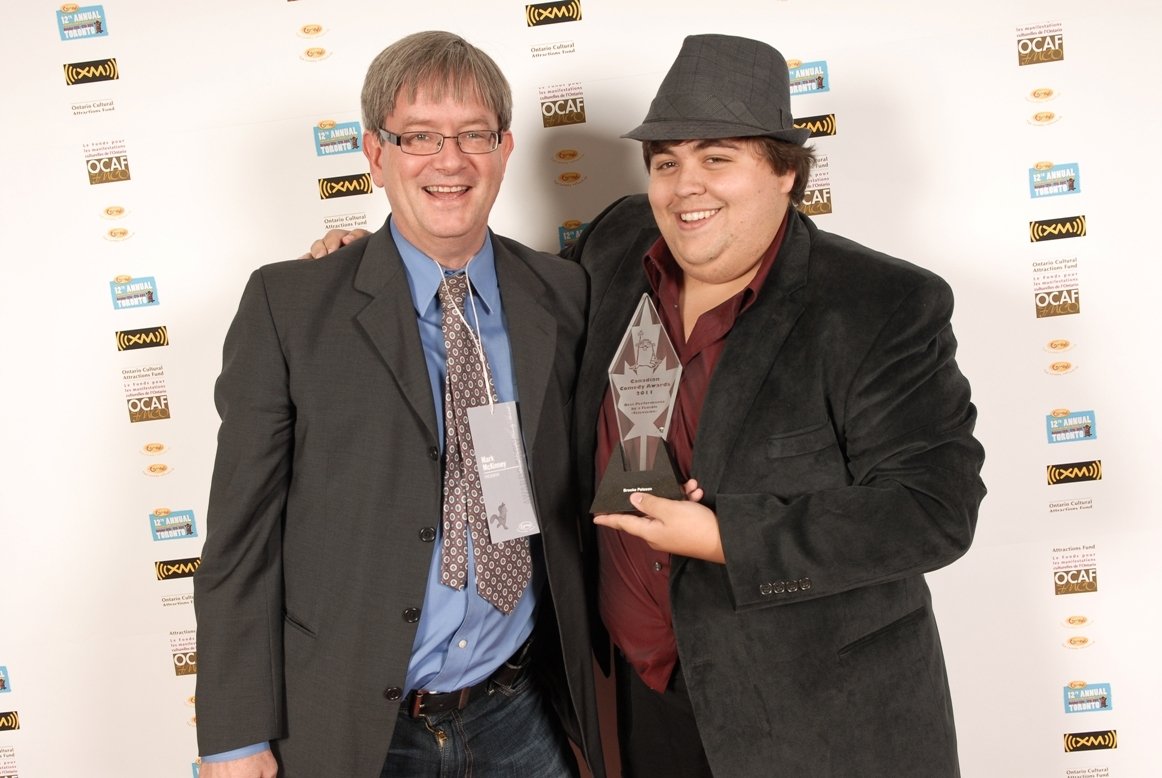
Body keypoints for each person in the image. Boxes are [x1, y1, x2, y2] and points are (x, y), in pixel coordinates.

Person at [308, 33, 986, 778]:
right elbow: (500, 311)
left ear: (785, 172)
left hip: (814, 716)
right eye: (667, 162)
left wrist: (728, 535)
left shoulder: (879, 305)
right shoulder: (617, 245)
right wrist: (371, 260)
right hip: (638, 702)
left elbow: (933, 509)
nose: (684, 187)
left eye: (717, 158)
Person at [194, 31, 604, 777]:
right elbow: (240, 542)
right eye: (419, 136)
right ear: (376, 155)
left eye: (474, 134)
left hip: (518, 715)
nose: (450, 161)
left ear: (506, 148)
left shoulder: (563, 293)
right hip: (359, 732)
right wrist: (235, 737)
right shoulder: (291, 306)